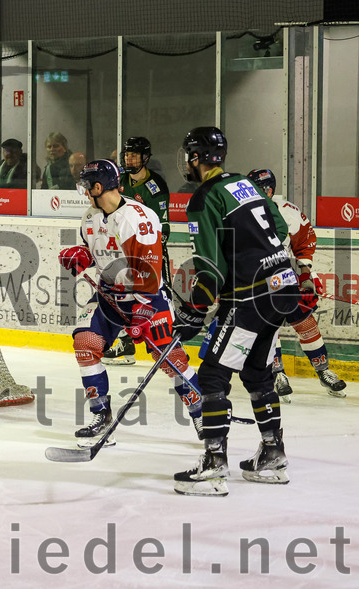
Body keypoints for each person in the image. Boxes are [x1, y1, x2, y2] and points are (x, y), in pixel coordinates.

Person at [171, 126, 298, 497]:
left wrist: (195, 309)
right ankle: (273, 454)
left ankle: (213, 464)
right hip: (282, 288)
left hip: (250, 297)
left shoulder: (204, 197)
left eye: (189, 155)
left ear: (196, 158)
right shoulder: (245, 183)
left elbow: (209, 268)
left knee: (212, 374)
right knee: (258, 372)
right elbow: (277, 226)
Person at [58, 159, 203, 448]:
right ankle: (101, 414)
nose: (85, 191)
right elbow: (97, 255)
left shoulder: (138, 218)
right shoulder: (90, 217)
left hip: (146, 298)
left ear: (99, 187)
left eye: (87, 186)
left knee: (172, 361)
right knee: (86, 344)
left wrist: (142, 312)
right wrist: (84, 260)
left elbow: (148, 275)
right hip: (109, 300)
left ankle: (203, 415)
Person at [246, 168, 346, 399]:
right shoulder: (241, 214)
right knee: (269, 328)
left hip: (286, 278)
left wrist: (305, 275)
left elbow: (305, 242)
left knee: (305, 322)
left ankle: (323, 371)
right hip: (255, 281)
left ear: (269, 190)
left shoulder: (288, 212)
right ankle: (277, 373)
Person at [103, 137, 174, 366]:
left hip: (146, 251)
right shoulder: (120, 179)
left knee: (154, 297)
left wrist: (152, 253)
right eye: (126, 154)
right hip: (122, 249)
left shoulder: (155, 187)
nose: (128, 158)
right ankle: (127, 344)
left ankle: (167, 345)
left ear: (145, 158)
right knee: (122, 295)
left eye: (134, 154)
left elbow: (163, 227)